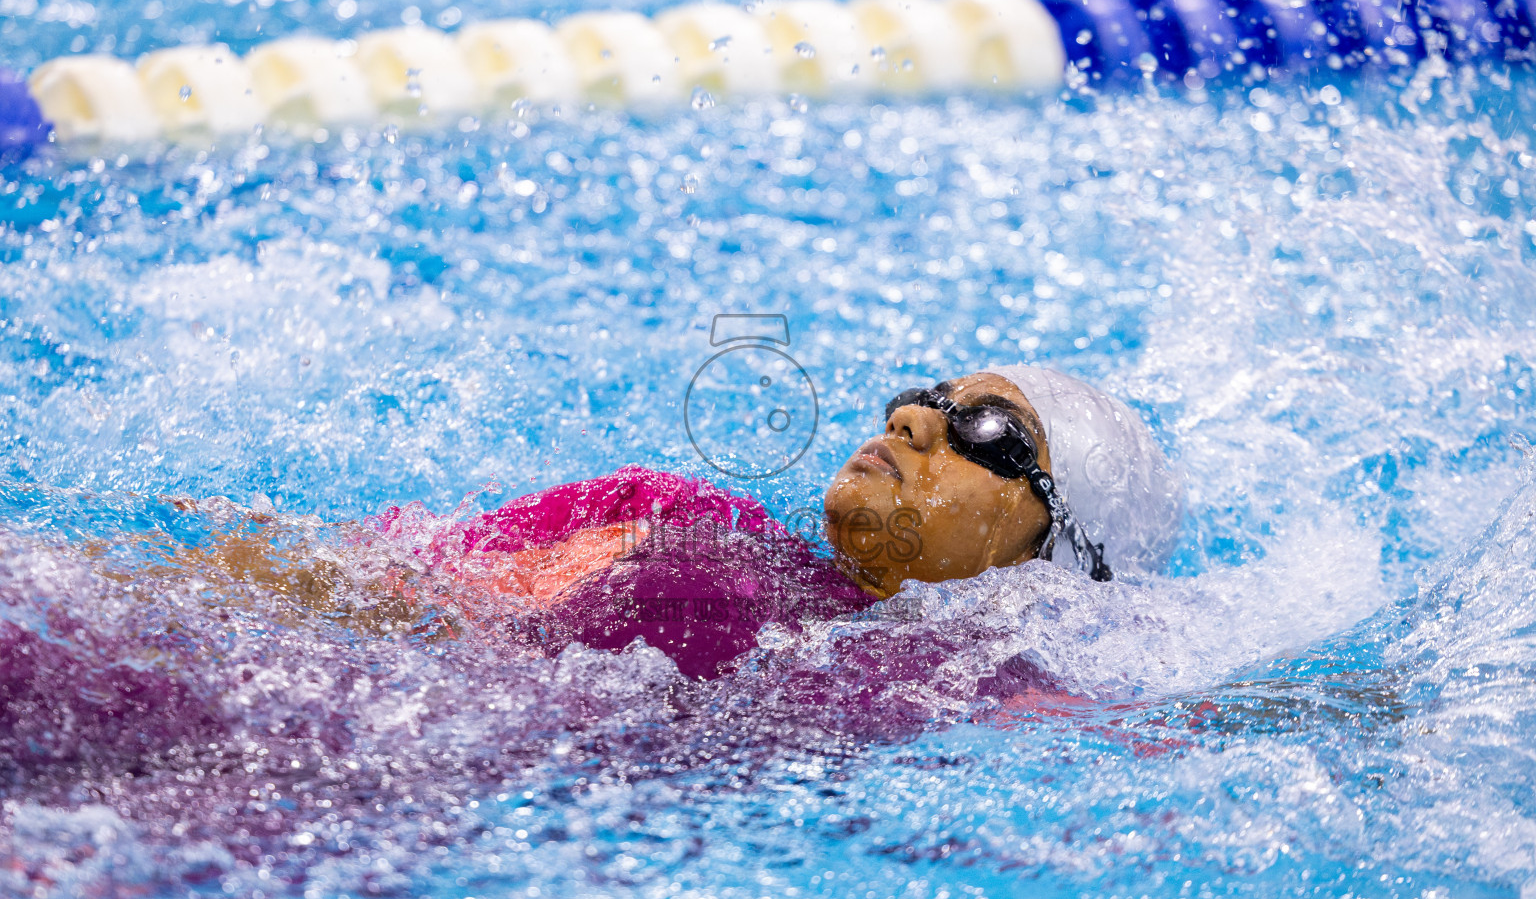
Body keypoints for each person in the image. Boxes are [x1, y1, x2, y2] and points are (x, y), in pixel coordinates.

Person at [142, 365, 1183, 681]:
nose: (914, 418)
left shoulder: (957, 691)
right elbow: (319, 575)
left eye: (987, 429)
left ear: (1050, 553)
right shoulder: (662, 505)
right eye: (929, 391)